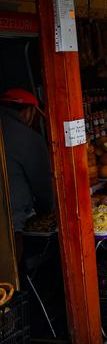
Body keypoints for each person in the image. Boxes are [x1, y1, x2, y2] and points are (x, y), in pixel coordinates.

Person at [0, 89, 54, 260]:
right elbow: (43, 187)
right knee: (13, 276)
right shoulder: (28, 138)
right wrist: (47, 210)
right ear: (27, 111)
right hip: (10, 221)